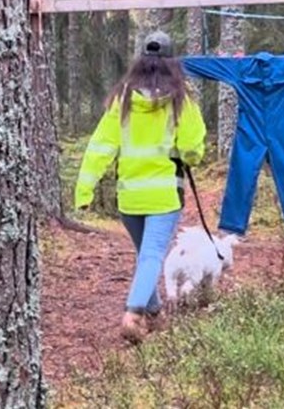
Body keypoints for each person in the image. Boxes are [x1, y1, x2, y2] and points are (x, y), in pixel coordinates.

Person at [74, 31, 207, 343]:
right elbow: (192, 148)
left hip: (129, 197)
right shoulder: (181, 100)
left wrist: (84, 190)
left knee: (146, 255)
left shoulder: (122, 101)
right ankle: (134, 314)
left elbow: (100, 146)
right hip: (163, 196)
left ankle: (156, 315)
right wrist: (189, 155)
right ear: (173, 63)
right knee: (151, 256)